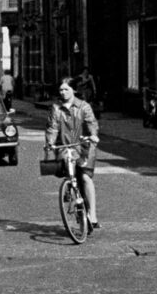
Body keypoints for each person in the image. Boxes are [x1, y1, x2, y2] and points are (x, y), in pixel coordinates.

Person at [45, 77, 100, 232]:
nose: (63, 92)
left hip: (83, 146)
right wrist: (50, 142)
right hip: (65, 146)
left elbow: (91, 123)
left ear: (74, 90)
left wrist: (93, 135)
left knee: (85, 177)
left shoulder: (84, 106)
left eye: (66, 89)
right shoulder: (56, 108)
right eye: (61, 90)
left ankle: (93, 215)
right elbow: (52, 127)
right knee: (70, 174)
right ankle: (70, 189)